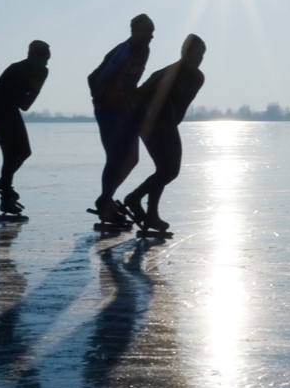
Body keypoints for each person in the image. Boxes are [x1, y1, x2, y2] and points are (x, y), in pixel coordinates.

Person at [123, 35, 206, 232]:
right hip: (155, 124)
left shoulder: (194, 76)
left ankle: (147, 210)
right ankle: (136, 200)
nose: (200, 57)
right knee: (168, 170)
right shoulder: (173, 73)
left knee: (166, 170)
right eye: (196, 53)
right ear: (185, 52)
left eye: (202, 54)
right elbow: (139, 94)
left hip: (164, 124)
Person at [87, 13, 154, 225]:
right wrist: (100, 99)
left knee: (131, 158)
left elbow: (130, 83)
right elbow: (93, 77)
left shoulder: (144, 50)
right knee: (116, 157)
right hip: (109, 110)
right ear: (135, 31)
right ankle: (105, 202)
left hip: (124, 110)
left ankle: (105, 199)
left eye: (153, 34)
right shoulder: (124, 50)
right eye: (148, 33)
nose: (151, 37)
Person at [0, 40, 50, 216]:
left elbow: (25, 105)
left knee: (24, 151)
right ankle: (5, 197)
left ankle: (4, 182)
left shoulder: (42, 72)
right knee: (11, 153)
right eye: (42, 59)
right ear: (31, 57)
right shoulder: (16, 68)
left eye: (46, 60)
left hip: (9, 108)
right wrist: (20, 93)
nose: (44, 64)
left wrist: (15, 93)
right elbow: (22, 102)